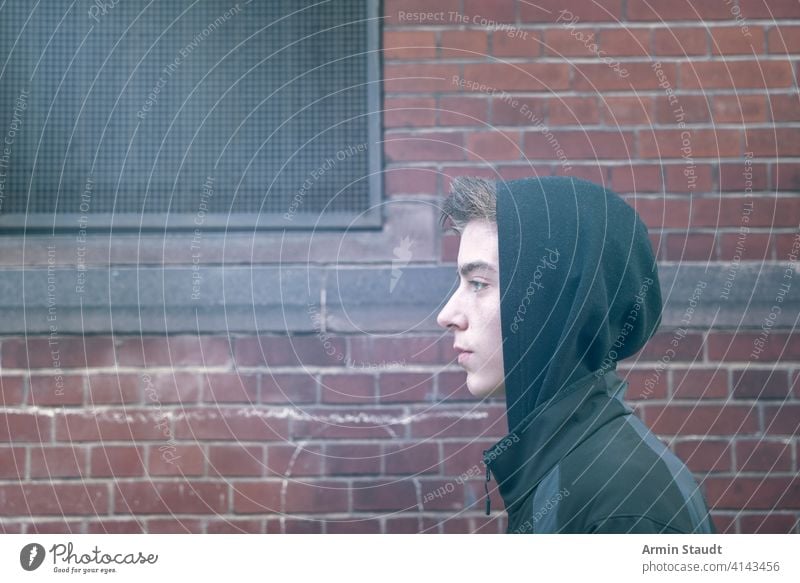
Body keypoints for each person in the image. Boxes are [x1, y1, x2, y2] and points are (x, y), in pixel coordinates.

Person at [436, 175, 717, 534]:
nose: (447, 315)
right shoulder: (560, 468)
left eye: (478, 283)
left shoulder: (625, 503)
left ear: (558, 301)